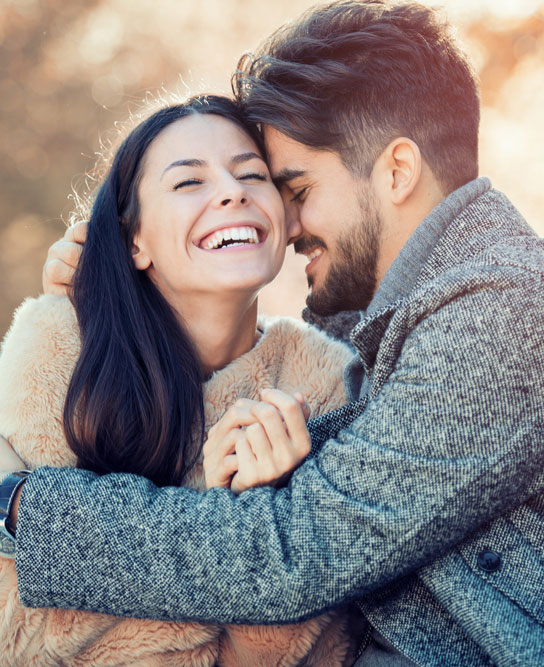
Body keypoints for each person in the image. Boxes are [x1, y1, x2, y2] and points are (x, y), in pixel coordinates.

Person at [2, 1, 544, 664]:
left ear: (397, 172)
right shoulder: (388, 315)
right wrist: (112, 281)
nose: (285, 225)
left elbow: (297, 549)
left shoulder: (502, 307)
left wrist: (28, 511)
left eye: (294, 187)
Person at [0, 95, 357, 665]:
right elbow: (31, 633)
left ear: (286, 217)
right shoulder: (59, 350)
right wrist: (243, 539)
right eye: (188, 182)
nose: (232, 191)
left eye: (251, 174)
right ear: (134, 240)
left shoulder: (324, 384)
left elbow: (313, 651)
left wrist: (261, 512)